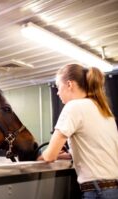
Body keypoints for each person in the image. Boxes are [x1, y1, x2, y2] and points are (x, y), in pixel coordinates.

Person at [38, 64, 118, 199]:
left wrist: (41, 156)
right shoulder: (102, 108)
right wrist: (69, 154)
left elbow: (49, 156)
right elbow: (96, 147)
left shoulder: (73, 107)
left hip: (97, 192)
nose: (57, 93)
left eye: (58, 87)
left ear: (69, 84)